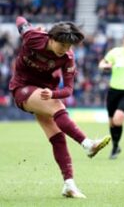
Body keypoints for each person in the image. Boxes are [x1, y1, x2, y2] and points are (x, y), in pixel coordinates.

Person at [9, 17, 111, 198]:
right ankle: (87, 144)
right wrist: (29, 26)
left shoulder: (68, 57)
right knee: (56, 107)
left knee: (58, 138)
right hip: (22, 88)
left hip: (45, 92)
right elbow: (20, 20)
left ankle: (69, 184)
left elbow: (69, 89)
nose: (66, 50)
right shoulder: (34, 37)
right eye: (62, 45)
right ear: (51, 38)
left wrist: (53, 94)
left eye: (69, 47)